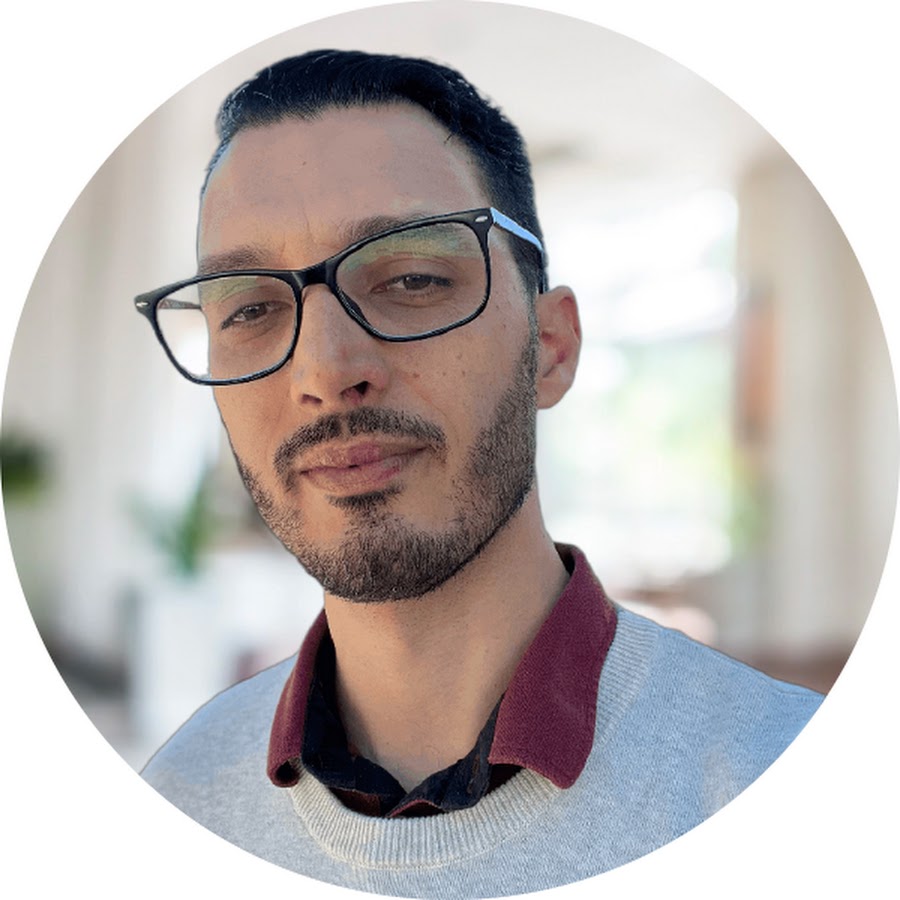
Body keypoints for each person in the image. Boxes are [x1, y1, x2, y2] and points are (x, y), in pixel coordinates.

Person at [138, 49, 822, 897]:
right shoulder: (174, 806)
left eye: (411, 278)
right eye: (249, 308)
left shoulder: (791, 792)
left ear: (551, 348)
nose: (323, 370)